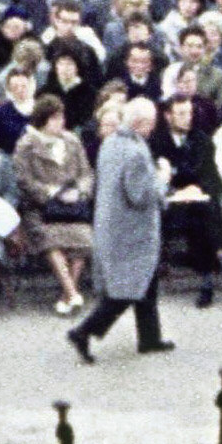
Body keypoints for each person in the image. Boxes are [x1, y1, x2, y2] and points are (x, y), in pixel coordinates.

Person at [68, 96, 175, 361]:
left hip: (111, 225)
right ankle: (83, 331)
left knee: (146, 283)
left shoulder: (111, 142)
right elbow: (141, 196)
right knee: (126, 290)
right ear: (140, 123)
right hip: (132, 231)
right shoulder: (136, 151)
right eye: (151, 122)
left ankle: (150, 338)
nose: (154, 128)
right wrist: (162, 178)